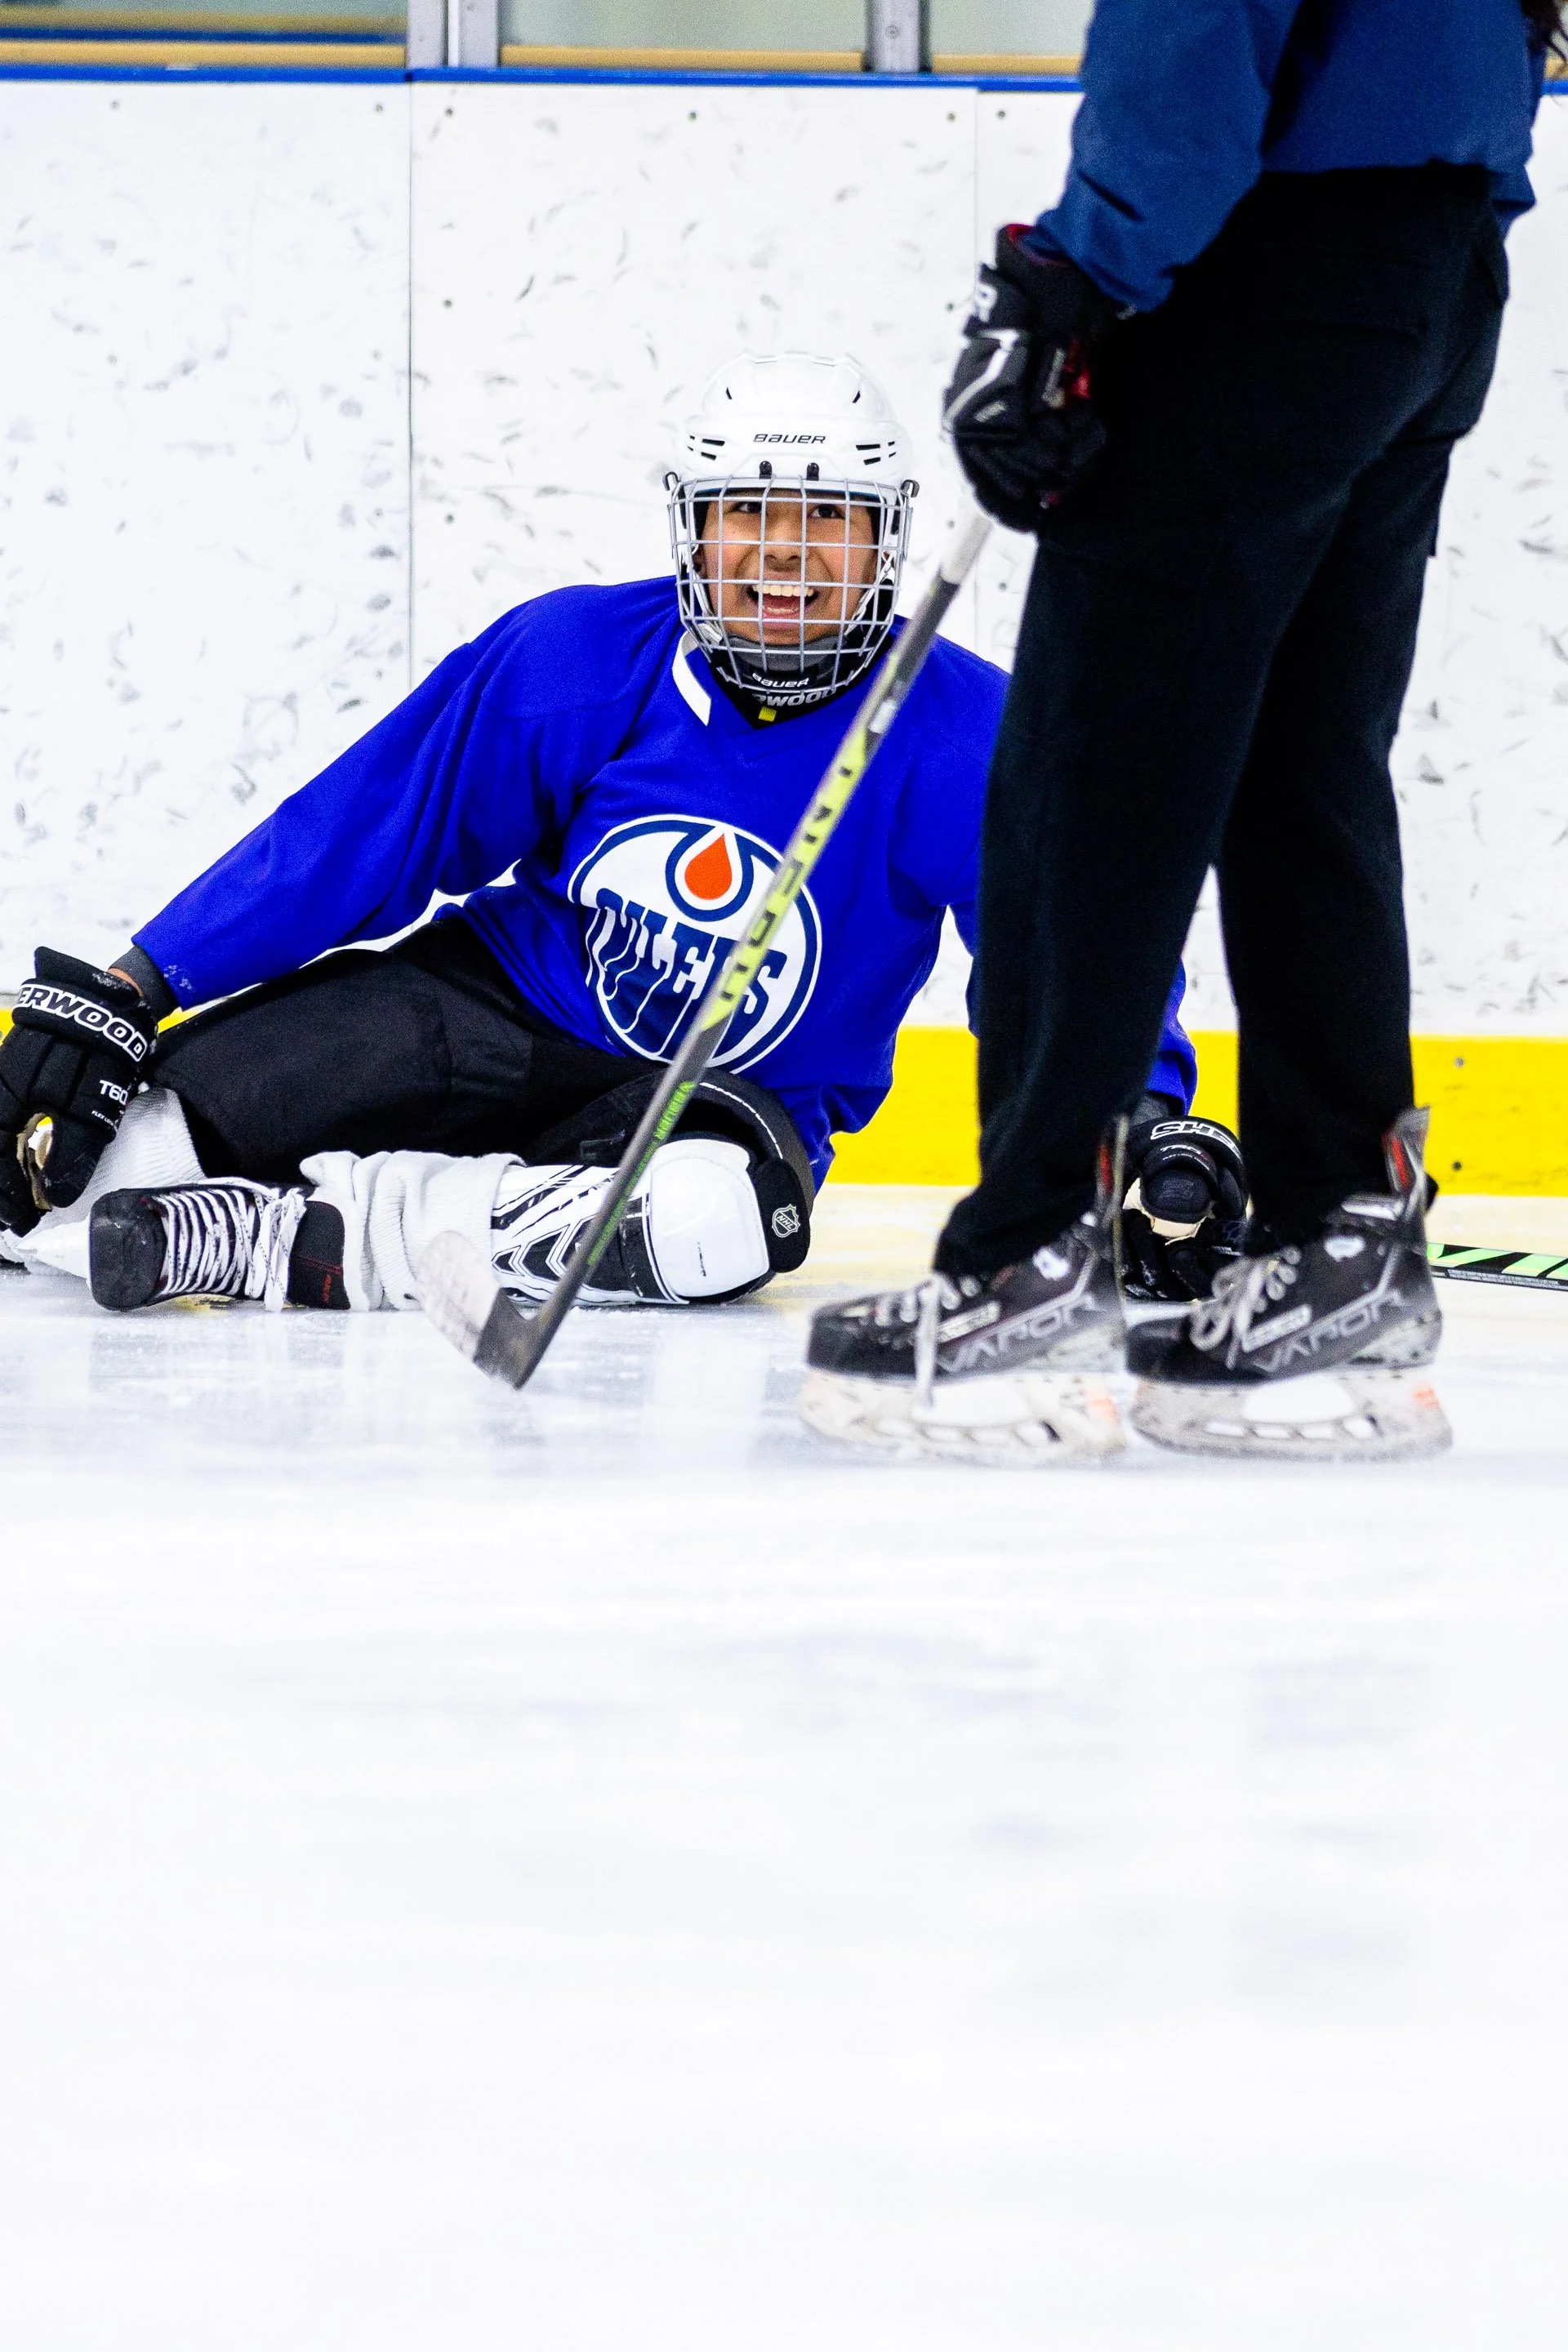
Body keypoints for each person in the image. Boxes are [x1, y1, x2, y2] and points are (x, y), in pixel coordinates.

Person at [0, 352, 1223, 1326]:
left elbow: (1077, 952)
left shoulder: (963, 740)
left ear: (886, 539)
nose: (786, 550)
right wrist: (136, 985)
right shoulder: (575, 662)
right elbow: (362, 831)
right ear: (693, 531)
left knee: (718, 1226)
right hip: (491, 1023)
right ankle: (336, 1217)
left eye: (828, 518)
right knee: (98, 1158)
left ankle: (291, 1235)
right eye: (748, 512)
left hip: (721, 1107)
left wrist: (1144, 1129)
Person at [804, 0, 1555, 1465]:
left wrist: (1080, 270)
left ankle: (1022, 1261)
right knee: (1301, 765)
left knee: (1091, 770)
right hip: (1436, 264)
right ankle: (1344, 1242)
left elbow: (1196, 22)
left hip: (1266, 264)